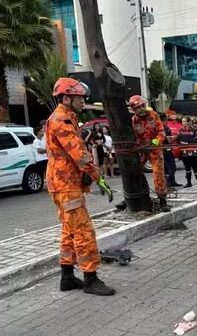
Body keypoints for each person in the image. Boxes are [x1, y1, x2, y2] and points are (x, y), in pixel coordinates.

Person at [45, 77, 115, 296]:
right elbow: (80, 156)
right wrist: (97, 176)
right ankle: (91, 278)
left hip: (64, 182)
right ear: (66, 98)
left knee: (69, 230)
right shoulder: (61, 120)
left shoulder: (68, 117)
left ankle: (67, 277)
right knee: (83, 231)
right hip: (65, 184)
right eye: (79, 98)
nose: (83, 101)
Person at [129, 95, 171, 212]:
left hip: (155, 149)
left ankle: (162, 200)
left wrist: (155, 141)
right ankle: (133, 198)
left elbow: (161, 132)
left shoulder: (154, 116)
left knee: (158, 174)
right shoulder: (133, 120)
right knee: (135, 172)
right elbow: (134, 136)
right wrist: (139, 145)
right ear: (134, 110)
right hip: (142, 150)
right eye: (138, 107)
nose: (141, 109)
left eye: (142, 106)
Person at [159, 112, 181, 188]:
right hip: (166, 149)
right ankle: (167, 183)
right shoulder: (165, 127)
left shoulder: (158, 127)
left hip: (161, 150)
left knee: (166, 168)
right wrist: (177, 136)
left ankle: (172, 182)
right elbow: (169, 140)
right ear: (165, 118)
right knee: (172, 167)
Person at [177, 116, 197, 188]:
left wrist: (189, 143)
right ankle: (188, 182)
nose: (183, 123)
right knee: (187, 168)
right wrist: (183, 143)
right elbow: (177, 140)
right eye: (182, 121)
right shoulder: (180, 130)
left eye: (184, 121)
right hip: (184, 152)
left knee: (195, 167)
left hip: (193, 152)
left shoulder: (194, 130)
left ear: (189, 122)